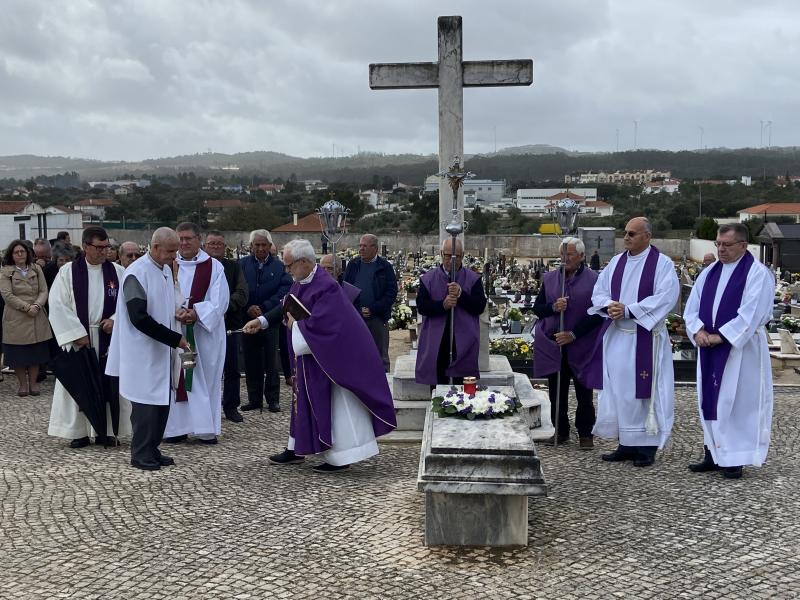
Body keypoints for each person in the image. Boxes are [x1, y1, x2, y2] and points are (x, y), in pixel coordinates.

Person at [243, 239, 396, 472]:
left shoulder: (326, 286)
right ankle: (297, 447)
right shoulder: (301, 282)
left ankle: (341, 456)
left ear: (304, 262)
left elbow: (324, 325)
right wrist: (262, 321)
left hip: (332, 362)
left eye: (289, 265)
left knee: (337, 408)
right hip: (310, 359)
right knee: (300, 402)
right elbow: (286, 305)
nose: (287, 270)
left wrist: (296, 326)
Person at [587, 217, 680, 467]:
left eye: (632, 233)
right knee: (621, 390)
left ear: (647, 236)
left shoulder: (662, 264)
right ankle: (626, 442)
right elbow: (599, 291)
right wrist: (610, 307)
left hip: (646, 338)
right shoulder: (616, 262)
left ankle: (647, 446)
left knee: (646, 392)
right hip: (619, 335)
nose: (626, 237)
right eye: (625, 233)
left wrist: (629, 310)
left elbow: (666, 296)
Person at [683, 224, 774, 479]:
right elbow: (692, 307)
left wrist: (720, 336)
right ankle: (713, 452)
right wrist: (698, 331)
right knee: (710, 401)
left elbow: (753, 312)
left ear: (743, 246)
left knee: (736, 404)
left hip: (740, 352)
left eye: (726, 245)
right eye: (718, 244)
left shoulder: (757, 274)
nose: (721, 249)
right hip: (709, 348)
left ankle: (734, 458)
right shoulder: (710, 272)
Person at [106, 228, 189, 471]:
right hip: (142, 351)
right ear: (154, 247)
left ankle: (152, 448)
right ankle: (140, 453)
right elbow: (138, 317)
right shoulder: (137, 273)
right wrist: (174, 339)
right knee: (145, 405)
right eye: (170, 251)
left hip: (160, 351)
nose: (174, 257)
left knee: (161, 402)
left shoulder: (163, 270)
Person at [47, 226, 129, 448]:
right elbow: (57, 304)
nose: (104, 252)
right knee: (79, 383)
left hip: (106, 337)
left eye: (106, 247)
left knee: (109, 384)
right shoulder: (68, 272)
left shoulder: (117, 272)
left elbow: (127, 304)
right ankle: (79, 432)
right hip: (79, 338)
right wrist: (76, 333)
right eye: (99, 247)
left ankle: (109, 431)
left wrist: (115, 320)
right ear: (85, 246)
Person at [533, 237, 603, 449]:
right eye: (562, 254)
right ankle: (560, 430)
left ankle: (585, 433)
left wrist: (573, 334)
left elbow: (598, 314)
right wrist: (553, 307)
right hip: (556, 345)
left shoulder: (595, 280)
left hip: (582, 345)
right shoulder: (551, 278)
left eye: (569, 255)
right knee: (557, 391)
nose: (564, 259)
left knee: (584, 392)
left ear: (581, 256)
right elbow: (538, 308)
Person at [163, 223, 229, 444]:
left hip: (204, 334)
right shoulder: (167, 266)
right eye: (180, 239)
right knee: (176, 378)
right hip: (177, 330)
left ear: (198, 239)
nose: (184, 243)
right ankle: (176, 429)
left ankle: (205, 429)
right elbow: (160, 294)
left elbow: (220, 300)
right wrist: (177, 312)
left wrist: (196, 313)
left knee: (204, 379)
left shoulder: (214, 267)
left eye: (188, 238)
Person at [415, 238, 487, 386]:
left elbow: (479, 306)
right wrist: (442, 305)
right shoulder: (428, 279)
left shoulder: (473, 279)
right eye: (447, 256)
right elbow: (422, 306)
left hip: (463, 339)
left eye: (457, 256)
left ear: (463, 255)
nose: (451, 260)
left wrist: (461, 294)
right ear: (441, 254)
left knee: (463, 385)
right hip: (437, 339)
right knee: (439, 382)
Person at [239, 229, 291, 412]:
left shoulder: (279, 267)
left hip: (270, 320)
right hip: (247, 319)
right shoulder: (242, 265)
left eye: (264, 245)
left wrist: (265, 308)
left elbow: (284, 291)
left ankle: (273, 399)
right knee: (251, 361)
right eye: (257, 245)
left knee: (271, 362)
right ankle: (254, 399)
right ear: (251, 246)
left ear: (270, 246)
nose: (260, 248)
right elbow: (238, 289)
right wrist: (248, 307)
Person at [204, 230, 249, 423]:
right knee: (204, 369)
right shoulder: (199, 268)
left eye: (219, 244)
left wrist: (221, 307)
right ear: (204, 246)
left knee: (231, 368)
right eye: (211, 243)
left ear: (225, 247)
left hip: (229, 324)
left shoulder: (233, 267)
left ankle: (231, 406)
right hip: (203, 325)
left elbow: (242, 292)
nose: (215, 247)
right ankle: (204, 408)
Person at [0, 240, 52, 396]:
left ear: (28, 253)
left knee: (35, 352)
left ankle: (34, 383)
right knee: (19, 354)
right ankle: (23, 384)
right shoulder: (5, 272)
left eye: (22, 251)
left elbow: (44, 290)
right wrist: (26, 307)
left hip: (36, 314)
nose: (20, 254)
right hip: (16, 316)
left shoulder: (36, 269)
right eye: (16, 252)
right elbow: (7, 295)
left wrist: (36, 306)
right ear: (11, 255)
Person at [343, 234, 397, 372]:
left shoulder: (385, 267)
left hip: (377, 319)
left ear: (375, 248)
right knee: (356, 354)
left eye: (365, 246)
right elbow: (345, 289)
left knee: (380, 357)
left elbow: (391, 293)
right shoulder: (353, 265)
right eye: (360, 245)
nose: (361, 249)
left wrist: (373, 309)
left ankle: (381, 387)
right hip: (355, 318)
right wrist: (355, 310)